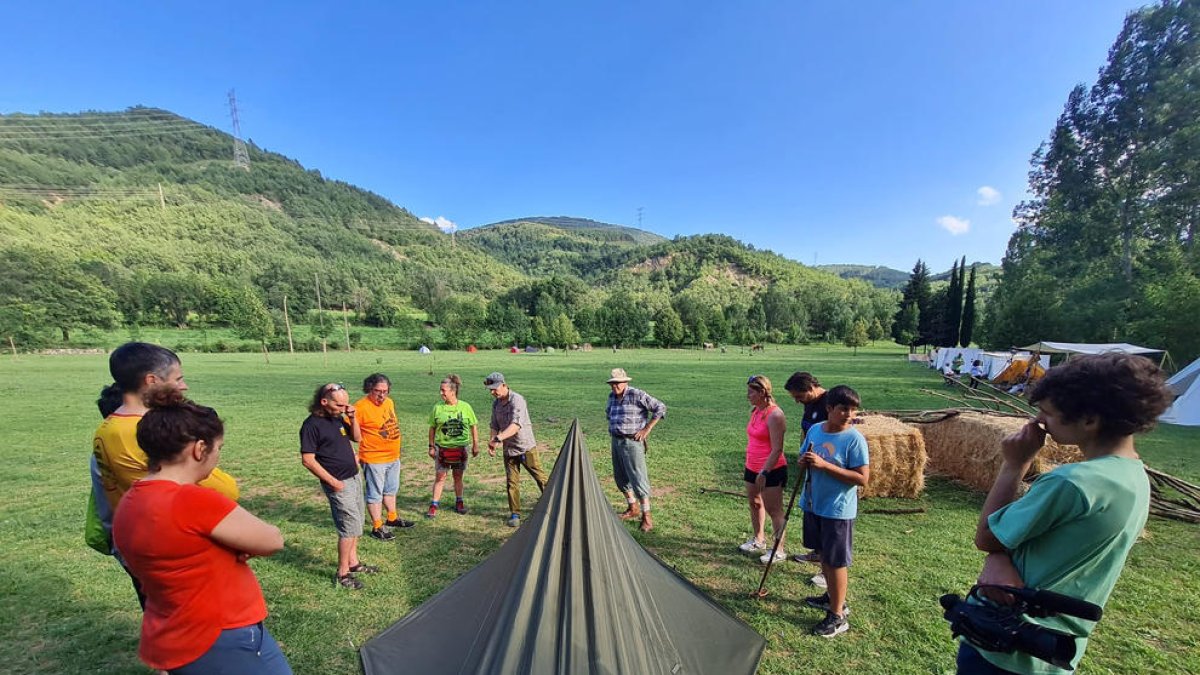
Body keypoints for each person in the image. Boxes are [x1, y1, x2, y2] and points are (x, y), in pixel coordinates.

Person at [958, 353, 1172, 674]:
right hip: (1053, 648)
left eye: (1048, 413)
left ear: (1089, 420)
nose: (1039, 421)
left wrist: (1014, 464)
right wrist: (998, 557)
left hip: (1005, 644)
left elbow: (988, 536)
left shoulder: (1071, 483)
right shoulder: (1133, 477)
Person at [112, 389, 290, 674]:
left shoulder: (131, 501)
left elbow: (180, 550)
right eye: (218, 448)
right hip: (221, 635)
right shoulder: (193, 500)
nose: (217, 456)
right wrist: (238, 545)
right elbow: (272, 540)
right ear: (198, 449)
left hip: (174, 630)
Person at [92, 342, 239, 607]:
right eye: (178, 378)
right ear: (151, 380)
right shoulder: (131, 433)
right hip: (166, 547)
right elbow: (210, 487)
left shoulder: (115, 424)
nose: (184, 386)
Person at [798, 385, 870, 638]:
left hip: (837, 510)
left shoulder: (854, 439)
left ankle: (838, 615)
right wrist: (803, 461)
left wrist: (824, 465)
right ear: (829, 408)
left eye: (852, 410)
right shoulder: (816, 430)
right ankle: (831, 597)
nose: (849, 415)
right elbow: (804, 455)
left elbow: (862, 478)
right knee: (823, 557)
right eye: (844, 409)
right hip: (813, 503)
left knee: (835, 561)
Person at [300, 383, 376, 590]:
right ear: (324, 402)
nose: (344, 408)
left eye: (346, 404)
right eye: (339, 405)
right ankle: (342, 573)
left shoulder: (337, 418)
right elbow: (308, 459)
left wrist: (352, 418)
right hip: (338, 483)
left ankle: (354, 563)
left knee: (357, 523)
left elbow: (357, 438)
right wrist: (333, 482)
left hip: (353, 478)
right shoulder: (311, 425)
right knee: (348, 527)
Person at [605, 368, 666, 532]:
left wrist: (647, 429)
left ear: (625, 382)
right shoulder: (611, 397)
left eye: (617, 383)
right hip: (616, 441)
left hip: (632, 442)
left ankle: (647, 516)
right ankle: (633, 508)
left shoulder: (636, 395)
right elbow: (608, 414)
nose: (614, 386)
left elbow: (660, 408)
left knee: (638, 478)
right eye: (612, 383)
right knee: (620, 477)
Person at [354, 373, 414, 541]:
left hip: (393, 456)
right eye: (377, 391)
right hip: (374, 459)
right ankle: (377, 526)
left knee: (391, 489)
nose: (381, 395)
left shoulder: (389, 402)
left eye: (385, 391)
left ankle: (392, 518)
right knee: (375, 493)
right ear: (369, 389)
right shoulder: (360, 407)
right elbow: (352, 433)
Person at [484, 372, 548, 527]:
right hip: (509, 450)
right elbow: (494, 425)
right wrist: (492, 441)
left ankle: (555, 504)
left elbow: (516, 425)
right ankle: (515, 514)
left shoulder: (517, 400)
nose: (493, 392)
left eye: (495, 389)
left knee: (540, 478)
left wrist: (499, 438)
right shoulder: (496, 404)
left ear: (504, 385)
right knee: (512, 482)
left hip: (525, 447)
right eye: (490, 390)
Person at [738, 375, 789, 564]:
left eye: (751, 392)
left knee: (774, 510)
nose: (747, 395)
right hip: (751, 466)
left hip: (771, 469)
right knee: (755, 503)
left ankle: (779, 549)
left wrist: (765, 472)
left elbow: (778, 449)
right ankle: (759, 540)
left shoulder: (775, 415)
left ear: (762, 392)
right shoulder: (755, 411)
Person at [784, 371, 828, 568]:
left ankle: (827, 567)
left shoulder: (830, 402)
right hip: (810, 466)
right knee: (812, 511)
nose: (797, 401)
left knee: (825, 516)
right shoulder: (810, 403)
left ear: (810, 388)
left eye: (799, 397)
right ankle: (818, 553)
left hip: (826, 468)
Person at [425, 374, 479, 518]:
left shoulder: (465, 407)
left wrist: (475, 445)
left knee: (458, 476)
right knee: (440, 476)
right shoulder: (437, 407)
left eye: (443, 390)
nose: (441, 393)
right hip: (442, 448)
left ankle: (459, 501)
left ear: (452, 391)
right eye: (440, 390)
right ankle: (434, 504)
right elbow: (432, 428)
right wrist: (431, 446)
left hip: (460, 448)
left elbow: (473, 426)